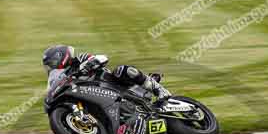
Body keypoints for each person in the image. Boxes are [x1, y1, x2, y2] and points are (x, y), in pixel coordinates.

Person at [42, 44, 171, 102]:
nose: (52, 66)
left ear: (61, 56)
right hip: (97, 96)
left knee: (122, 70)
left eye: (52, 62)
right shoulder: (63, 76)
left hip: (114, 84)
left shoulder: (80, 59)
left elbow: (102, 58)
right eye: (50, 65)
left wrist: (89, 64)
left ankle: (158, 89)